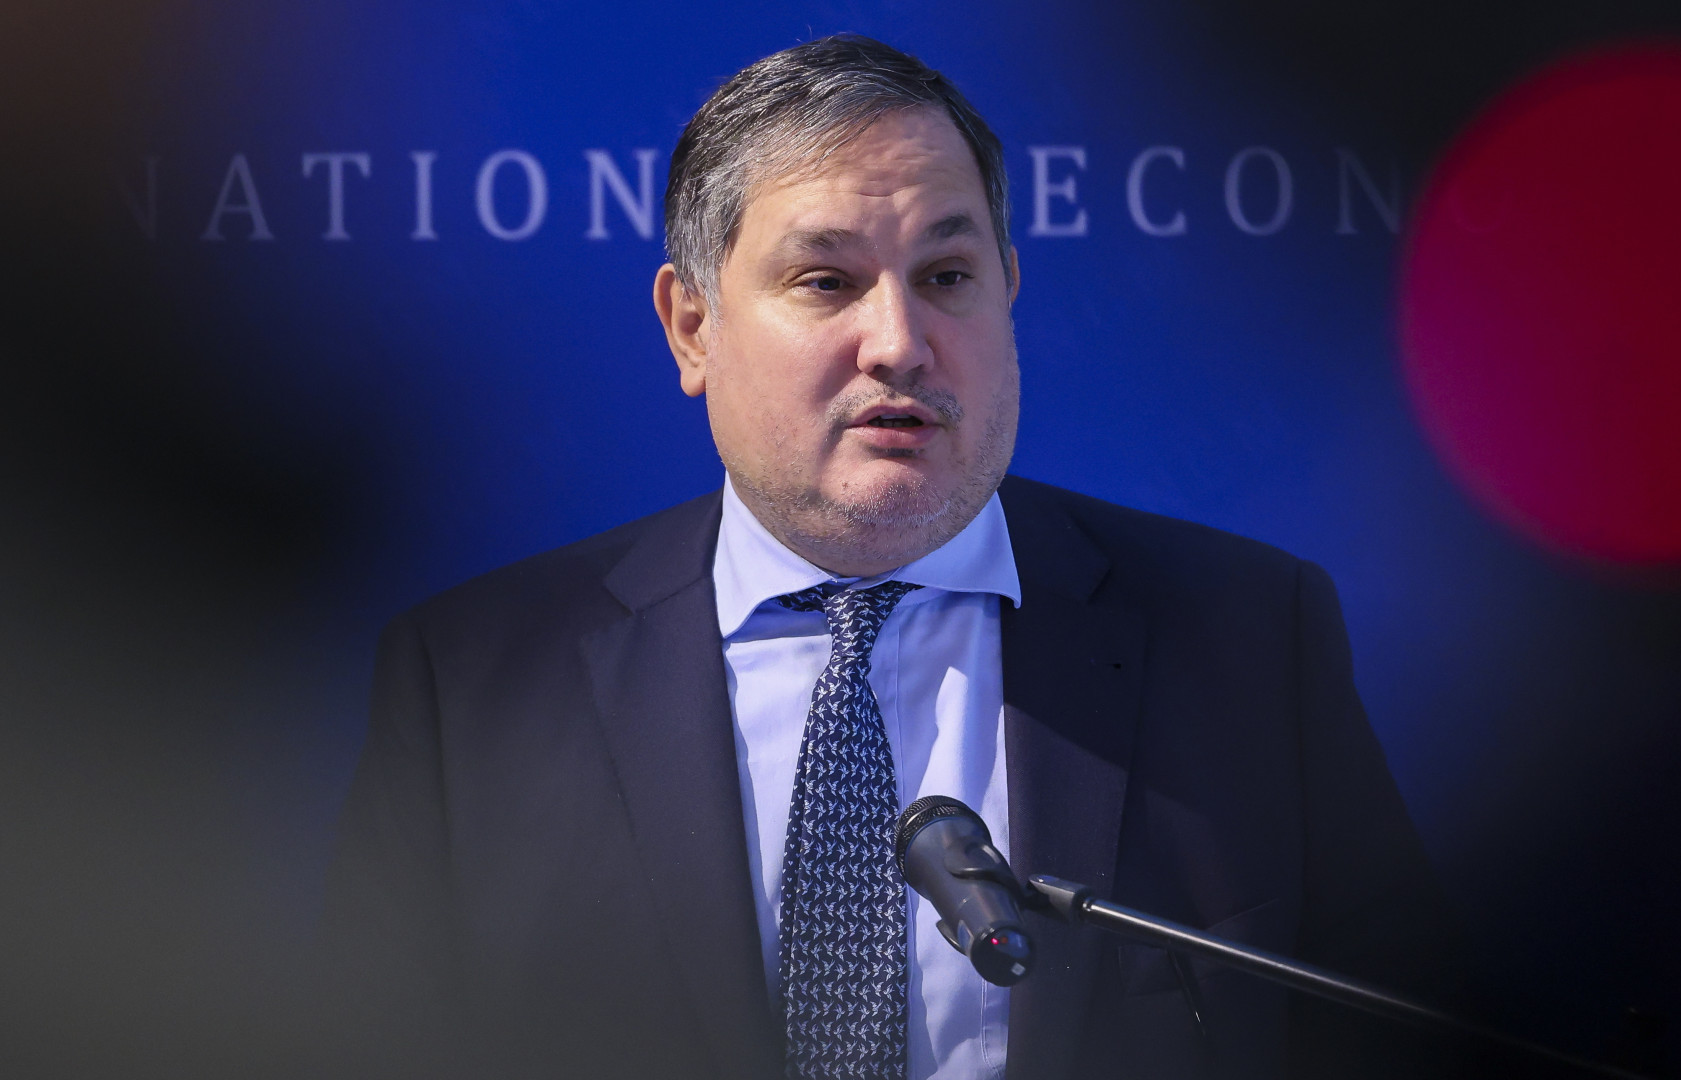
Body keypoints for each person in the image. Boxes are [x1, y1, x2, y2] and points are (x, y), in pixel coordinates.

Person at [321, 34, 1460, 1080]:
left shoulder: (1247, 635)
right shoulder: (474, 685)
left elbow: (1415, 1040)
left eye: (947, 277)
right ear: (692, 327)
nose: (901, 343)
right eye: (827, 281)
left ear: (1009, 295)